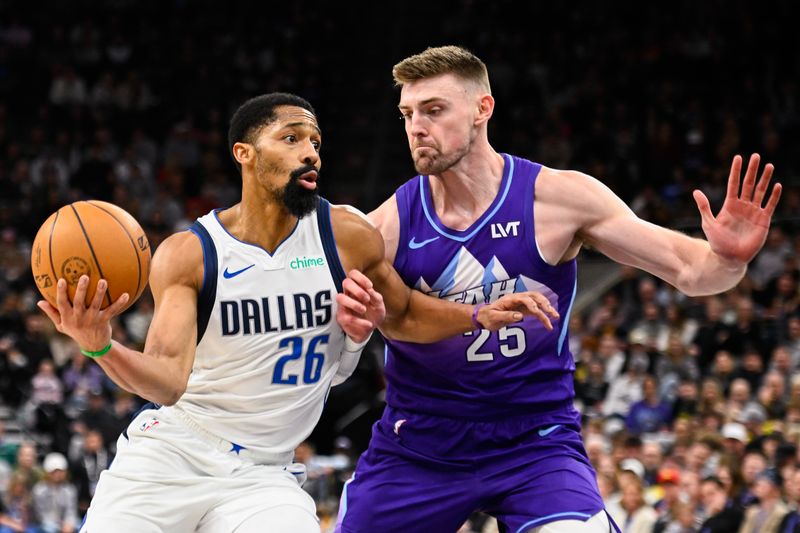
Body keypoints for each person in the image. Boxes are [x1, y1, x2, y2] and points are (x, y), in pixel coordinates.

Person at [36, 92, 552, 533]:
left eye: (316, 143)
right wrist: (99, 343)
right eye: (291, 139)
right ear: (244, 153)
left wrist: (478, 315)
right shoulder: (191, 253)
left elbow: (406, 314)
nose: (310, 154)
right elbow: (168, 382)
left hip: (264, 473)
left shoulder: (345, 235)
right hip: (175, 454)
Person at [335, 45, 782, 532]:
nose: (416, 127)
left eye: (434, 110)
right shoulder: (387, 226)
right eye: (407, 113)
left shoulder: (559, 199)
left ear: (483, 109)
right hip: (421, 443)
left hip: (534, 439)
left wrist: (730, 259)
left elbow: (693, 272)